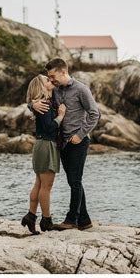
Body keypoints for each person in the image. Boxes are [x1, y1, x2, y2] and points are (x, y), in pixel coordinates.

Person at [30, 58, 101, 231]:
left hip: (77, 141)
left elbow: (95, 114)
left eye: (53, 76)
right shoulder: (55, 90)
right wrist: (32, 105)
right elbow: (39, 100)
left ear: (63, 72)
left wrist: (80, 135)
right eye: (49, 77)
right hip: (61, 143)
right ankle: (84, 220)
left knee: (74, 181)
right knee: (73, 181)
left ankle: (71, 220)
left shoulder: (81, 89)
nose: (51, 80)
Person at [21, 74, 65, 234]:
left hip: (41, 145)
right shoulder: (45, 105)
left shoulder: (41, 103)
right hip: (47, 145)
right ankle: (46, 221)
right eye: (47, 80)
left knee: (39, 184)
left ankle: (30, 216)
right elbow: (50, 127)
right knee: (46, 186)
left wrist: (31, 104)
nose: (50, 80)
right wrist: (60, 116)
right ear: (41, 86)